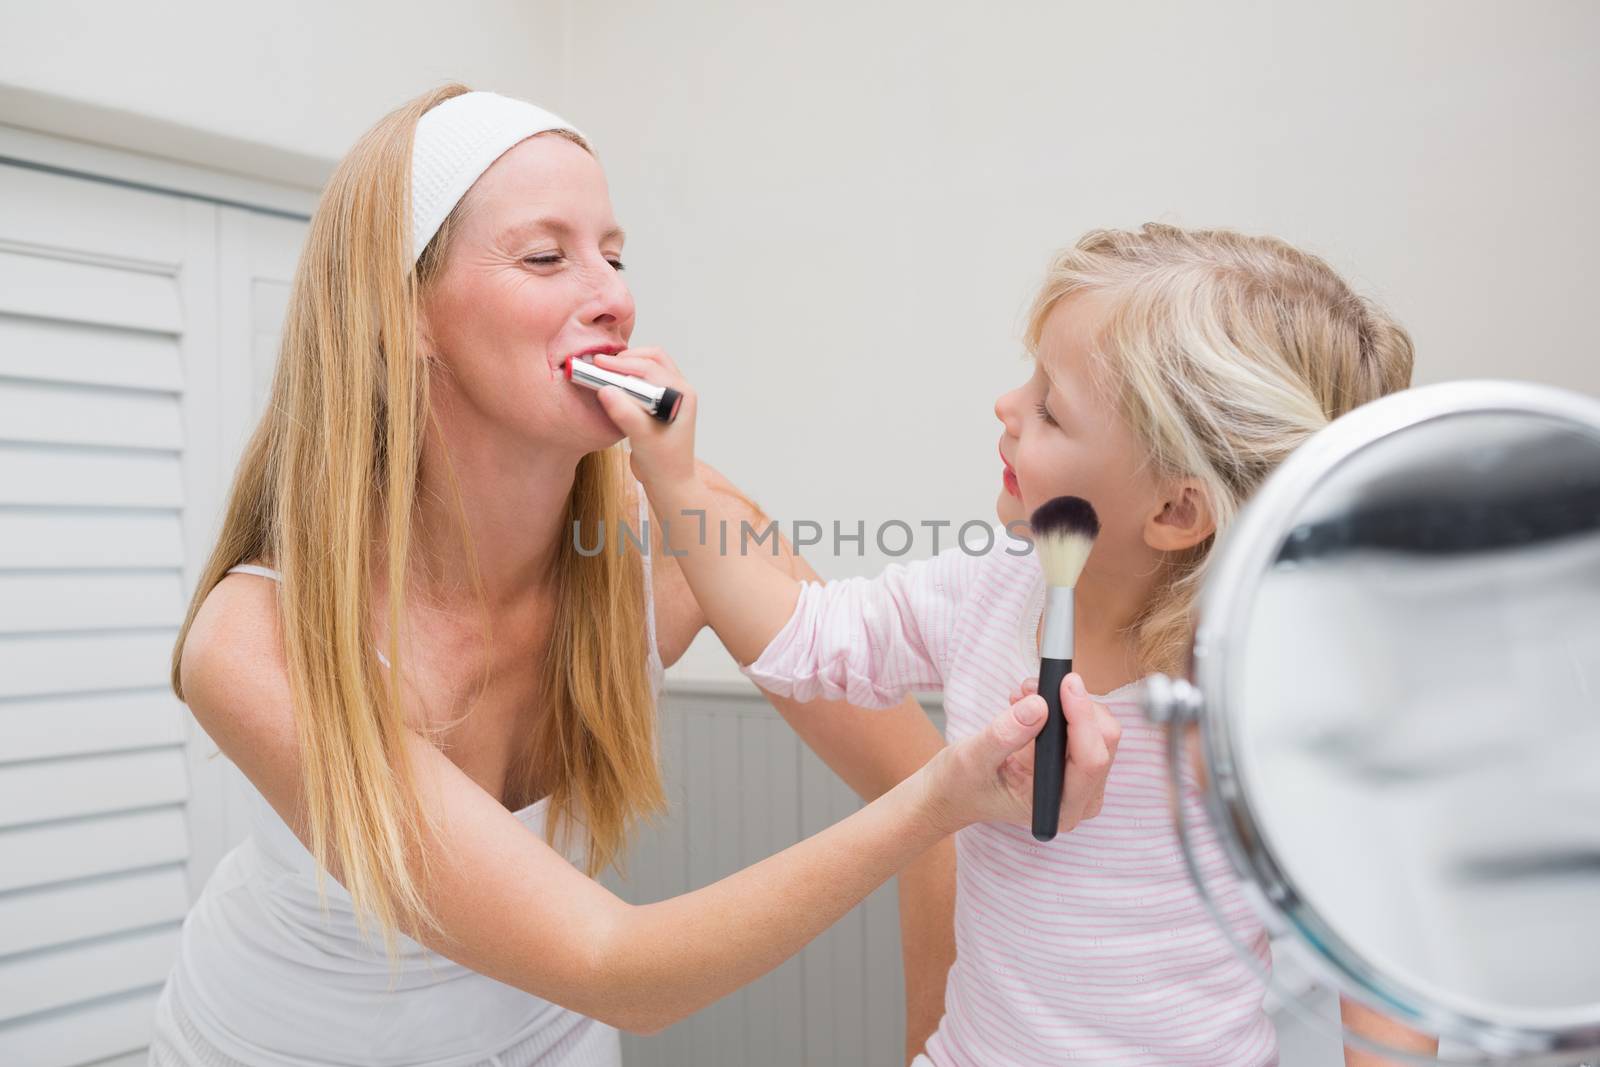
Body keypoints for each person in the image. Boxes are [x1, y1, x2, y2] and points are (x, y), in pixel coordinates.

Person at [146, 85, 1121, 1066]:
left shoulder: (684, 540)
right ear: (406, 317)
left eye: (613, 254)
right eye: (545, 255)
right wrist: (938, 799)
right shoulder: (251, 641)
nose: (612, 294)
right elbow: (613, 961)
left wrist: (930, 1048)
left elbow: (945, 818)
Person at [601, 221, 1438, 1065]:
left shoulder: (1272, 701)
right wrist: (670, 479)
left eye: (1050, 407)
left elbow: (1380, 971)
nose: (1006, 408)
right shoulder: (995, 585)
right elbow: (804, 635)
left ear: (1176, 511)